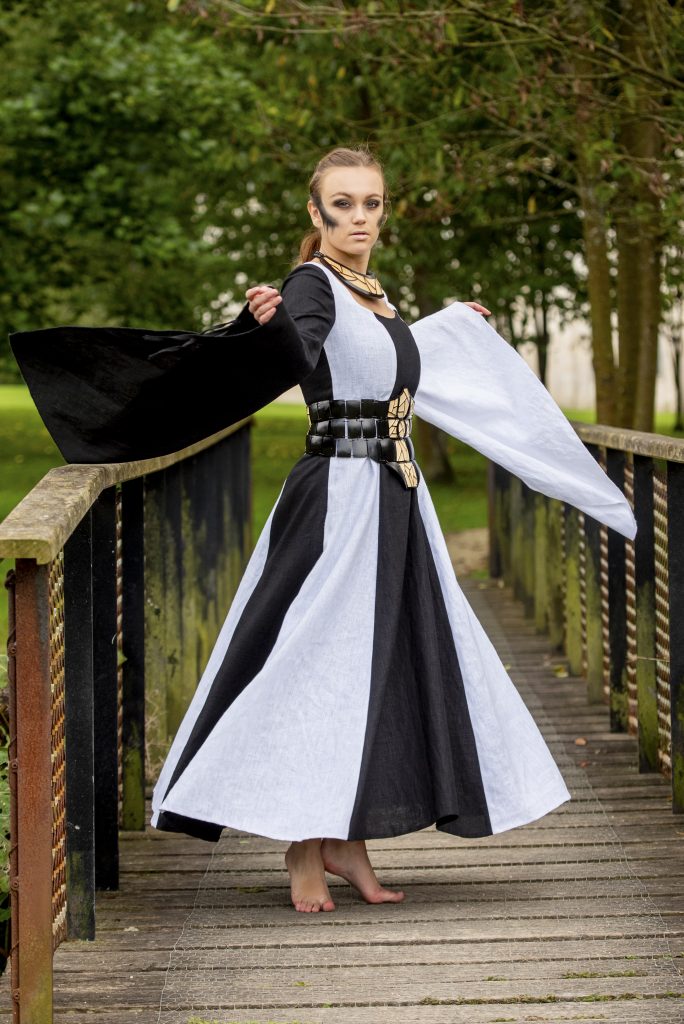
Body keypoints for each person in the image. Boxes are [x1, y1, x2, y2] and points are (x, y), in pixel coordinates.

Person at [9, 145, 637, 916]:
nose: (359, 217)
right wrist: (266, 325)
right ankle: (304, 848)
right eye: (343, 204)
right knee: (319, 665)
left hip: (394, 501)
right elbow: (302, 353)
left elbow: (377, 364)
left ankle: (346, 842)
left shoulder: (373, 293)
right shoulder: (311, 283)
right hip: (339, 501)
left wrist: (448, 328)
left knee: (379, 668)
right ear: (317, 212)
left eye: (371, 203)